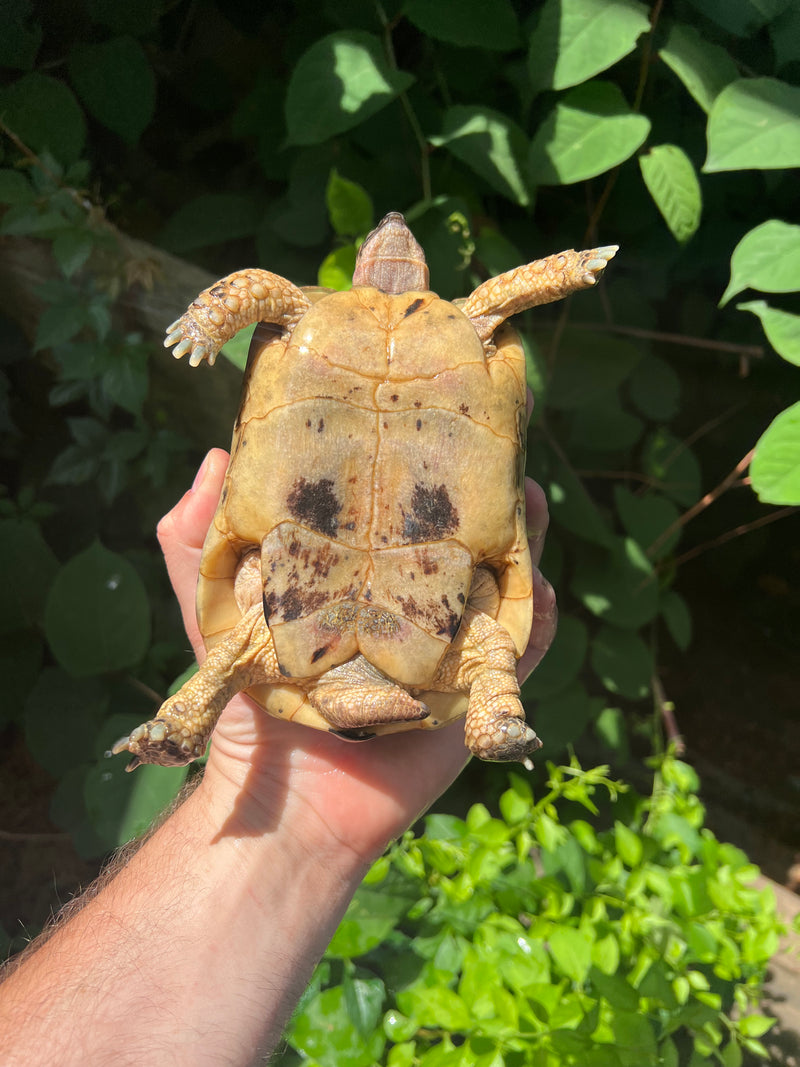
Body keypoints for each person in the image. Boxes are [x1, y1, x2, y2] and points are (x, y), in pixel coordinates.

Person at [0, 449, 556, 1066]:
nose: (363, 728)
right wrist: (493, 712)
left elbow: (224, 659)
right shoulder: (458, 655)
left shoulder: (267, 642)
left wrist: (182, 720)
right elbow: (487, 639)